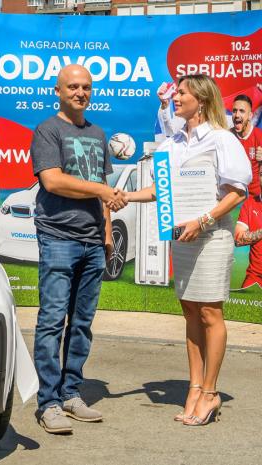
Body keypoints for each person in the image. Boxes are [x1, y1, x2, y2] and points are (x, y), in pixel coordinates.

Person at [126, 74, 251, 426]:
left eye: (182, 93)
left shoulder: (222, 139)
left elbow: (237, 191)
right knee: (190, 311)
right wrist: (123, 196)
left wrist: (203, 220)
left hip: (211, 237)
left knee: (210, 312)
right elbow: (159, 190)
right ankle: (194, 387)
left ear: (202, 99)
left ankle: (210, 392)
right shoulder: (172, 143)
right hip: (182, 238)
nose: (175, 97)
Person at [31, 64, 126, 435]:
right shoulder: (48, 130)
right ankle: (48, 402)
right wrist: (102, 191)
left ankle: (71, 393)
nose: (80, 92)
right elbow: (52, 182)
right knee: (52, 321)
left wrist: (107, 231)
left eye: (85, 87)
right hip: (58, 237)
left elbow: (103, 186)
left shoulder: (98, 134)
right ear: (58, 91)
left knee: (82, 324)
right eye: (72, 86)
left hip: (92, 241)